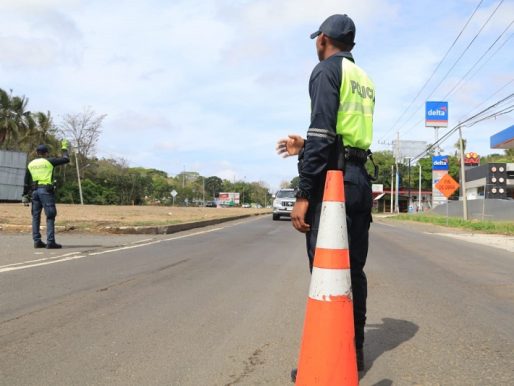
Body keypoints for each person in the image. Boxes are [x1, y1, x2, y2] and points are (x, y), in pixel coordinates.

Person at [276, 14, 375, 372]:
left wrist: (304, 193)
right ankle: (353, 354)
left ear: (323, 40)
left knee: (327, 270)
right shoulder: (362, 78)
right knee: (354, 271)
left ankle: (329, 361)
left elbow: (322, 136)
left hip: (333, 185)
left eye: (316, 38)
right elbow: (341, 137)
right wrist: (306, 146)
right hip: (359, 181)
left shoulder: (325, 71)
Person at [23, 140, 70, 249]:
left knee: (35, 216)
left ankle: (37, 241)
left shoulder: (31, 164)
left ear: (37, 153)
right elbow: (66, 159)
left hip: (34, 192)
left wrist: (24, 195)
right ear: (46, 153)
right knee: (50, 215)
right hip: (46, 191)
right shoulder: (49, 161)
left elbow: (26, 180)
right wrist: (64, 148)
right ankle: (50, 242)